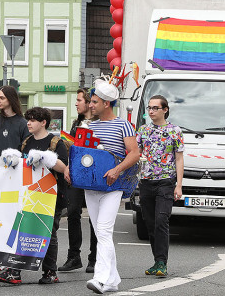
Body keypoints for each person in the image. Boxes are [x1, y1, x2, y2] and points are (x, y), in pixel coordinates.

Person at [0, 107, 71, 285]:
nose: (29, 123)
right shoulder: (27, 141)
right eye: (28, 119)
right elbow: (23, 165)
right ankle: (15, 271)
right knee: (24, 230)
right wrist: (13, 159)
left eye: (33, 120)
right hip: (29, 194)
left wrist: (45, 157)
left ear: (43, 122)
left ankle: (50, 272)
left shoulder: (55, 142)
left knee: (48, 232)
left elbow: (64, 168)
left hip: (51, 196)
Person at [84, 80, 140, 294]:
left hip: (113, 186)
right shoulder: (90, 126)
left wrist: (117, 170)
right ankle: (113, 280)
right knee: (101, 233)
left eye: (94, 102)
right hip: (91, 186)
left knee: (104, 230)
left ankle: (100, 279)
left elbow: (134, 153)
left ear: (106, 103)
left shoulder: (123, 124)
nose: (90, 105)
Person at [136, 95, 183, 278]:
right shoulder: (143, 130)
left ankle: (162, 262)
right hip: (146, 182)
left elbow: (179, 158)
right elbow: (136, 153)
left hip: (166, 182)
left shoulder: (174, 131)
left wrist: (179, 185)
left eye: (155, 108)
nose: (151, 111)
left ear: (165, 110)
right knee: (150, 223)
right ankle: (157, 261)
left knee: (162, 219)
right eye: (149, 108)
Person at [58, 88, 99, 274]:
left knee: (94, 217)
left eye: (79, 100)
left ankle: (95, 258)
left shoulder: (100, 123)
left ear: (89, 102)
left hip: (94, 176)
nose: (76, 103)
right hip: (76, 174)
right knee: (73, 212)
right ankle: (74, 257)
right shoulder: (77, 123)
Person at [0, 85, 30, 154]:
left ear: (11, 99)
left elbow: (27, 150)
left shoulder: (24, 124)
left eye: (2, 98)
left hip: (16, 164)